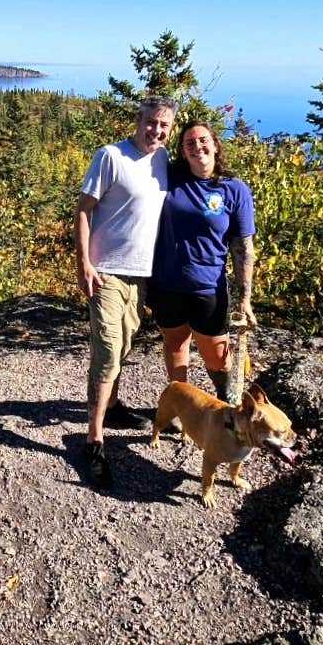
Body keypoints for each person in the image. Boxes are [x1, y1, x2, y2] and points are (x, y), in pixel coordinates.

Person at [75, 96, 177, 487]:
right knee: (106, 351)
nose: (156, 130)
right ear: (139, 120)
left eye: (164, 126)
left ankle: (113, 407)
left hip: (142, 275)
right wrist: (83, 263)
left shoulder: (164, 161)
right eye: (151, 122)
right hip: (106, 272)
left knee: (124, 348)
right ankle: (94, 440)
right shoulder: (110, 156)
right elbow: (83, 209)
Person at [147, 121, 256, 407]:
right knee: (174, 344)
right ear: (183, 151)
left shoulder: (234, 190)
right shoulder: (169, 178)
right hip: (165, 284)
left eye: (203, 140)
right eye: (189, 143)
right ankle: (181, 405)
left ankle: (227, 403)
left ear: (216, 144)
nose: (197, 147)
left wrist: (245, 299)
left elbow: (242, 247)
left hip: (207, 287)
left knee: (216, 354)